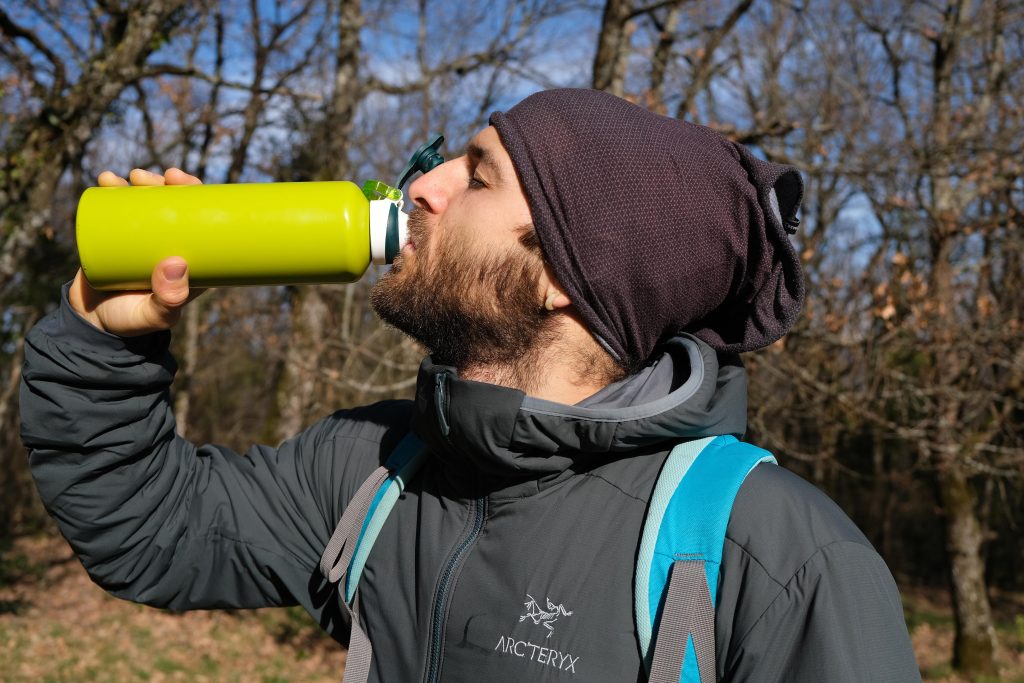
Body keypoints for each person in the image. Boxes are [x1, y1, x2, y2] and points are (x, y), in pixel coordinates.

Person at [21, 88, 920, 682]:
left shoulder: (774, 558)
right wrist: (109, 343)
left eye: (478, 174)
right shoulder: (375, 470)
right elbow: (153, 531)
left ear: (564, 273)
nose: (424, 187)